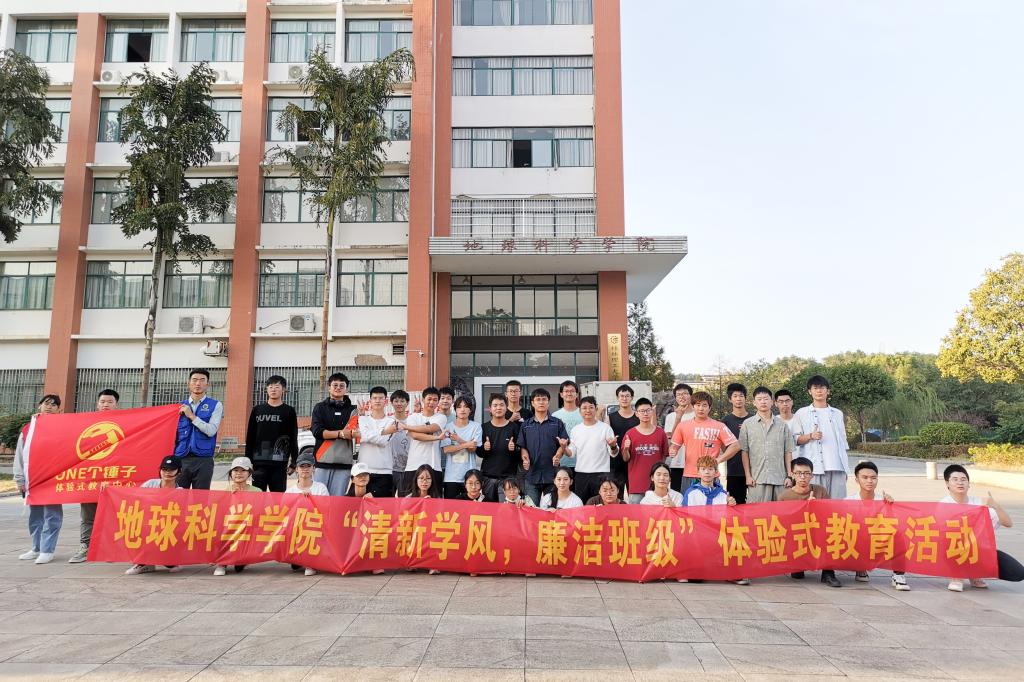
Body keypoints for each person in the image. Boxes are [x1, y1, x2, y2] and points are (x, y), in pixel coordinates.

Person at [940, 464, 1023, 590]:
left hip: (978, 550)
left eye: (963, 479)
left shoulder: (979, 503)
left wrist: (995, 505)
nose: (960, 483)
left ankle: (975, 572)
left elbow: (1008, 523)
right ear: (947, 484)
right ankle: (956, 576)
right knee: (952, 544)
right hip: (953, 549)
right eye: (955, 479)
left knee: (1018, 572)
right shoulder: (944, 505)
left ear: (969, 484)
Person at [68, 388, 120, 564]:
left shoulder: (126, 422)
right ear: (97, 404)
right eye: (103, 401)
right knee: (88, 516)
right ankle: (85, 547)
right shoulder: (86, 422)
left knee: (113, 515)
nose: (106, 404)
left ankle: (111, 549)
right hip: (90, 477)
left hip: (115, 477)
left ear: (116, 404)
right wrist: (41, 420)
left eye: (110, 402)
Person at [679, 456, 745, 584]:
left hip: (718, 535)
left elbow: (728, 519)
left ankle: (733, 573)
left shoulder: (723, 494)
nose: (707, 472)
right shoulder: (691, 493)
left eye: (710, 469)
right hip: (697, 536)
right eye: (703, 469)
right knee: (695, 579)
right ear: (698, 472)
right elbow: (684, 516)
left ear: (716, 472)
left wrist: (732, 505)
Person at [14, 394, 64, 565]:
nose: (49, 407)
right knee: (35, 516)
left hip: (53, 479)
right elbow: (20, 455)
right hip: (33, 479)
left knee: (52, 515)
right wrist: (20, 479)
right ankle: (36, 548)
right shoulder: (28, 428)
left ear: (59, 410)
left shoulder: (63, 427)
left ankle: (47, 550)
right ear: (39, 406)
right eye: (46, 403)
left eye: (54, 405)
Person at [845, 461, 907, 590]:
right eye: (865, 477)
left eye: (873, 478)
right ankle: (860, 567)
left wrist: (891, 507)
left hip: (877, 539)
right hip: (856, 541)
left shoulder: (883, 501)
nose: (870, 481)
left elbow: (893, 524)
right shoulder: (848, 501)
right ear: (857, 480)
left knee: (899, 536)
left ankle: (898, 575)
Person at [780, 456, 841, 587]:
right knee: (797, 575)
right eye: (798, 473)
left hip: (817, 532)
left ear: (812, 475)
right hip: (797, 535)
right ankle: (799, 564)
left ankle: (828, 572)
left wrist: (816, 508)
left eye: (806, 473)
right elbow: (782, 522)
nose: (802, 477)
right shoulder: (784, 496)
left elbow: (830, 515)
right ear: (792, 474)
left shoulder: (820, 491)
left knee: (832, 532)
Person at [668, 391, 740, 491]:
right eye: (698, 405)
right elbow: (674, 446)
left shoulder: (719, 426)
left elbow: (736, 445)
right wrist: (673, 450)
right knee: (689, 501)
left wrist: (719, 460)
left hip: (711, 475)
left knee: (713, 501)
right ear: (693, 406)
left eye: (704, 405)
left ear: (709, 408)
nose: (701, 408)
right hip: (690, 475)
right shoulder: (683, 426)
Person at [793, 375, 850, 500]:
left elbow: (843, 441)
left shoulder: (837, 413)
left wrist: (845, 469)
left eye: (822, 388)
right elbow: (795, 440)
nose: (819, 391)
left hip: (837, 467)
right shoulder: (801, 413)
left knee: (838, 504)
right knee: (816, 504)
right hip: (814, 468)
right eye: (815, 388)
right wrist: (811, 436)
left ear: (828, 391)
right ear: (810, 391)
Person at [125, 456, 183, 576]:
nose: (167, 473)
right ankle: (142, 563)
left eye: (171, 470)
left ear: (179, 471)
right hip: (147, 522)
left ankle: (170, 561)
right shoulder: (150, 484)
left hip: (167, 527)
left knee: (169, 560)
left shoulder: (180, 491)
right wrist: (108, 489)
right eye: (164, 469)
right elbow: (134, 498)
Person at [739, 386, 794, 503]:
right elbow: (744, 452)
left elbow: (788, 452)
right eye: (759, 399)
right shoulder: (747, 424)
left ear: (772, 402)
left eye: (766, 399)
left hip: (780, 479)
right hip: (757, 479)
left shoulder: (782, 425)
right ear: (754, 402)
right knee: (757, 512)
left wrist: (789, 476)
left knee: (782, 512)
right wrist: (748, 476)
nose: (763, 402)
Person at [245, 376, 298, 493]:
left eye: (277, 387)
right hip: (259, 462)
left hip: (279, 462)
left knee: (278, 498)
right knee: (258, 497)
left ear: (283, 389)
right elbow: (250, 437)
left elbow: (293, 437)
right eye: (270, 386)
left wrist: (294, 462)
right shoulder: (257, 410)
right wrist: (247, 460)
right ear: (266, 389)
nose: (273, 389)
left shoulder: (289, 411)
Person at [518, 388, 569, 506]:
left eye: (544, 399)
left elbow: (562, 444)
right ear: (532, 403)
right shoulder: (526, 425)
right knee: (531, 509)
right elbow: (523, 446)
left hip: (553, 475)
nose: (541, 402)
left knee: (552, 509)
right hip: (532, 475)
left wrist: (558, 455)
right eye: (538, 399)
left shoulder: (557, 423)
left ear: (548, 402)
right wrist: (525, 458)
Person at [174, 369, 223, 490]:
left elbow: (211, 430)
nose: (198, 383)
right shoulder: (178, 406)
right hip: (181, 457)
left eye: (202, 380)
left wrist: (191, 416)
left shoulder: (215, 405)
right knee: (177, 496)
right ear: (188, 383)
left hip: (204, 459)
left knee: (201, 498)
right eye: (194, 380)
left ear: (207, 384)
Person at [310, 372, 358, 496]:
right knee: (318, 499)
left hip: (344, 463)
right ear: (329, 387)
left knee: (337, 500)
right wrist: (340, 434)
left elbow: (353, 433)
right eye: (335, 385)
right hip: (322, 460)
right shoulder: (320, 407)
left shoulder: (353, 410)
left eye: (342, 385)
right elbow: (317, 432)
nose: (338, 388)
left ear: (346, 389)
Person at [214, 457, 261, 577]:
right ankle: (222, 563)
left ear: (249, 473)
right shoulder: (225, 491)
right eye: (235, 470)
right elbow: (218, 513)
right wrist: (229, 497)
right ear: (231, 473)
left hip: (247, 529)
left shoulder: (257, 491)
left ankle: (242, 559)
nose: (239, 473)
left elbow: (261, 512)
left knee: (239, 566)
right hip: (229, 528)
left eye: (243, 470)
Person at [566, 396, 618, 504]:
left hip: (601, 474)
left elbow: (613, 453)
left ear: (596, 409)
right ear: (580, 411)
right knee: (582, 506)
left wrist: (613, 446)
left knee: (601, 506)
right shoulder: (576, 430)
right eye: (584, 408)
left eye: (591, 407)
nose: (588, 410)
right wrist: (564, 448)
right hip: (581, 474)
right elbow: (571, 453)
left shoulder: (605, 428)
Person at [285, 452, 328, 576]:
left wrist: (311, 499)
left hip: (314, 527)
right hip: (296, 528)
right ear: (296, 469)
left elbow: (326, 510)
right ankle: (298, 556)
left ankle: (311, 561)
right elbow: (285, 513)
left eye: (308, 466)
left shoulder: (321, 488)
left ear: (313, 468)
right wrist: (299, 500)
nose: (305, 469)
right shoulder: (290, 491)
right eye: (302, 466)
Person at [623, 398, 670, 504]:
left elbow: (664, 456)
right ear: (637, 413)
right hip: (637, 486)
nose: (645, 413)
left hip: (657, 486)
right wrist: (626, 449)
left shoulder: (660, 433)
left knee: (657, 514)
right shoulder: (630, 434)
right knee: (636, 513)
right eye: (642, 411)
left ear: (652, 412)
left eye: (648, 410)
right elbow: (625, 458)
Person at [403, 387, 447, 498]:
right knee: (409, 501)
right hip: (413, 466)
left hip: (434, 466)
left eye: (435, 400)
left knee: (434, 502)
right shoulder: (413, 417)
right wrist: (436, 438)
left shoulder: (441, 417)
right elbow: (415, 436)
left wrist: (408, 427)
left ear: (438, 402)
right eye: (429, 399)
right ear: (423, 400)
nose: (431, 402)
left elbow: (431, 428)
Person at [358, 386, 398, 497]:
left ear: (386, 401)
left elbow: (383, 441)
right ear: (370, 401)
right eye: (374, 398)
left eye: (381, 398)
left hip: (385, 471)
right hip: (364, 470)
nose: (377, 401)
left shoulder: (392, 421)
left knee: (383, 506)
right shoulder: (362, 419)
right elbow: (365, 436)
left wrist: (366, 435)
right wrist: (384, 431)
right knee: (362, 505)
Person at [479, 394, 521, 501]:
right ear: (490, 408)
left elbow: (520, 452)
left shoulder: (514, 427)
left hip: (508, 478)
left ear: (506, 408)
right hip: (488, 477)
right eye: (495, 405)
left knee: (506, 509)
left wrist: (514, 449)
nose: (498, 408)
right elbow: (479, 452)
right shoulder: (483, 428)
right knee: (488, 508)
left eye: (501, 405)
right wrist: (484, 448)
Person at [441, 396, 482, 498]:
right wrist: (467, 444)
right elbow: (446, 449)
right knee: (450, 506)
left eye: (466, 406)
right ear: (455, 409)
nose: (462, 409)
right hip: (451, 477)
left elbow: (473, 448)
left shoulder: (476, 426)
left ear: (470, 410)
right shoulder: (448, 427)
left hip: (470, 477)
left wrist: (458, 439)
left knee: (470, 506)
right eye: (459, 407)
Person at [720, 383, 752, 505]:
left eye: (741, 396)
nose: (738, 399)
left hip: (754, 470)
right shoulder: (725, 422)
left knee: (756, 506)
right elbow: (724, 447)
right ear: (730, 399)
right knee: (735, 506)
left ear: (745, 398)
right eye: (735, 396)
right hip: (734, 470)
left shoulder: (754, 419)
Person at [605, 384, 639, 497]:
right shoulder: (610, 417)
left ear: (632, 398)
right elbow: (606, 439)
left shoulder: (638, 417)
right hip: (615, 461)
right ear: (617, 398)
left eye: (627, 396)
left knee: (634, 496)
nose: (624, 399)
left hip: (634, 460)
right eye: (622, 396)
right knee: (615, 495)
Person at [664, 383, 695, 492]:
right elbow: (671, 440)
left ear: (691, 396)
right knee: (677, 495)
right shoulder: (671, 417)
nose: (682, 397)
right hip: (677, 463)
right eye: (678, 395)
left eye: (685, 393)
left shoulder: (698, 414)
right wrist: (678, 418)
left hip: (695, 464)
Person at [552, 380, 583, 480]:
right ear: (561, 394)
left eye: (572, 391)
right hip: (562, 462)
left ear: (577, 394)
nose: (569, 393)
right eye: (566, 391)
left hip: (582, 462)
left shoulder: (584, 413)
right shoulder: (555, 416)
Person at [389, 390, 412, 496]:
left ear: (407, 403)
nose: (399, 404)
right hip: (389, 468)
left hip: (407, 469)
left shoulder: (412, 422)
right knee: (386, 500)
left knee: (405, 501)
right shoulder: (387, 421)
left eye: (402, 401)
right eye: (396, 401)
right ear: (391, 403)